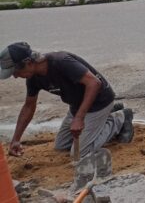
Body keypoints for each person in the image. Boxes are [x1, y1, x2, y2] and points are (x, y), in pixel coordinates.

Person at [1, 42, 134, 159]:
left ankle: (119, 118)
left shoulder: (61, 61)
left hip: (98, 102)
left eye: (15, 72)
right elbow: (29, 106)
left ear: (28, 63)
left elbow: (94, 83)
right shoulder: (33, 78)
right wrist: (16, 139)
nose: (15, 76)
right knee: (61, 146)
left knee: (80, 153)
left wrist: (79, 118)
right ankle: (105, 117)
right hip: (77, 105)